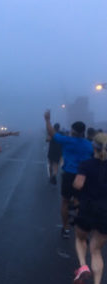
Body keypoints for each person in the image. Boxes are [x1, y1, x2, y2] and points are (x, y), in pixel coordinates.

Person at [44, 110, 93, 239]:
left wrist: (47, 120)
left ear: (73, 131)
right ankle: (81, 229)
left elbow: (52, 133)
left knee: (65, 202)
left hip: (69, 175)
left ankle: (65, 229)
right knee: (79, 202)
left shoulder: (67, 141)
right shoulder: (89, 145)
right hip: (83, 176)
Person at [73, 133, 107, 284]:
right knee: (96, 250)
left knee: (81, 239)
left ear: (94, 146)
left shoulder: (86, 164)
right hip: (105, 211)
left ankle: (83, 266)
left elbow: (78, 185)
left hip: (87, 208)